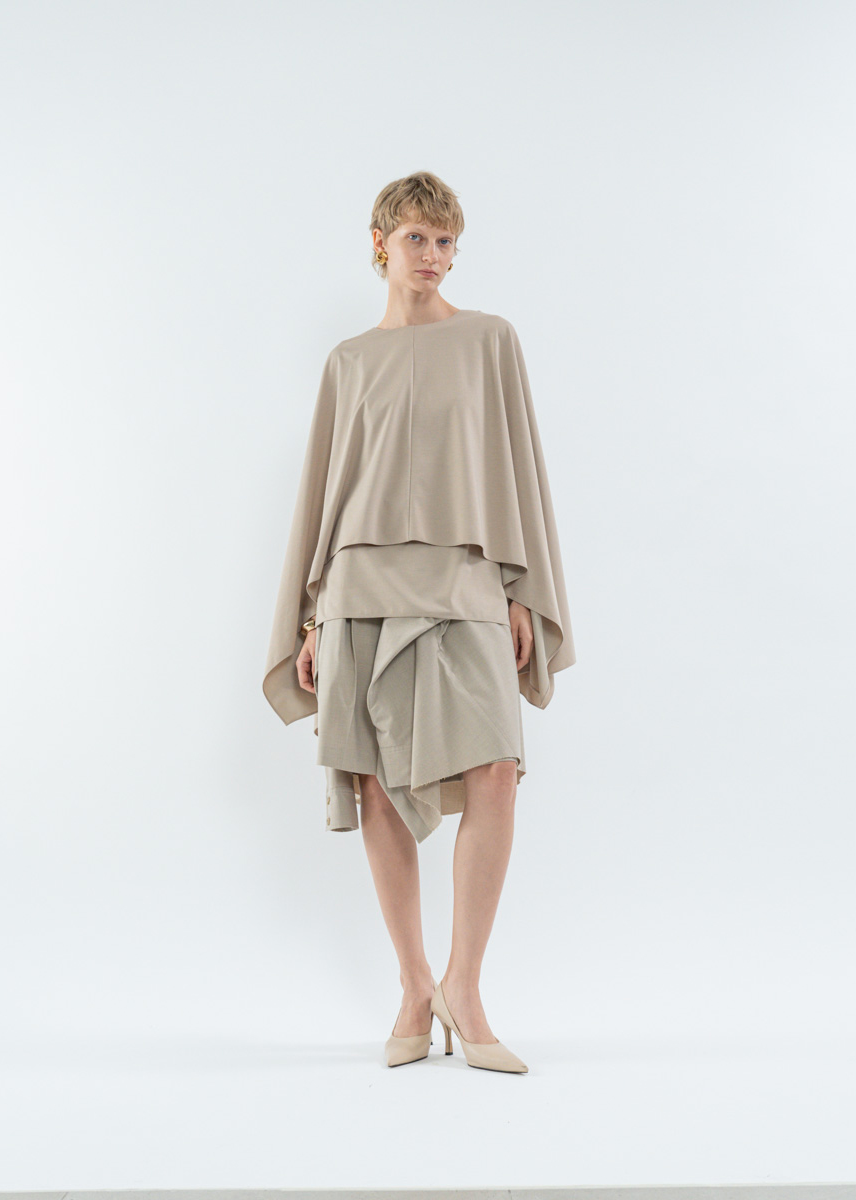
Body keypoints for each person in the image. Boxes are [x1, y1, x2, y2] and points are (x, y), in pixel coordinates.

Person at [263, 171, 575, 1073]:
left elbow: (513, 468)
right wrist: (311, 617)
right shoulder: (348, 360)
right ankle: (412, 986)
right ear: (379, 243)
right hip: (359, 585)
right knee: (375, 781)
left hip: (465, 576)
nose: (433, 256)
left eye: (445, 242)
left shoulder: (489, 340)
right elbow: (326, 493)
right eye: (416, 239)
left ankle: (463, 988)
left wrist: (518, 590)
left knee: (495, 770)